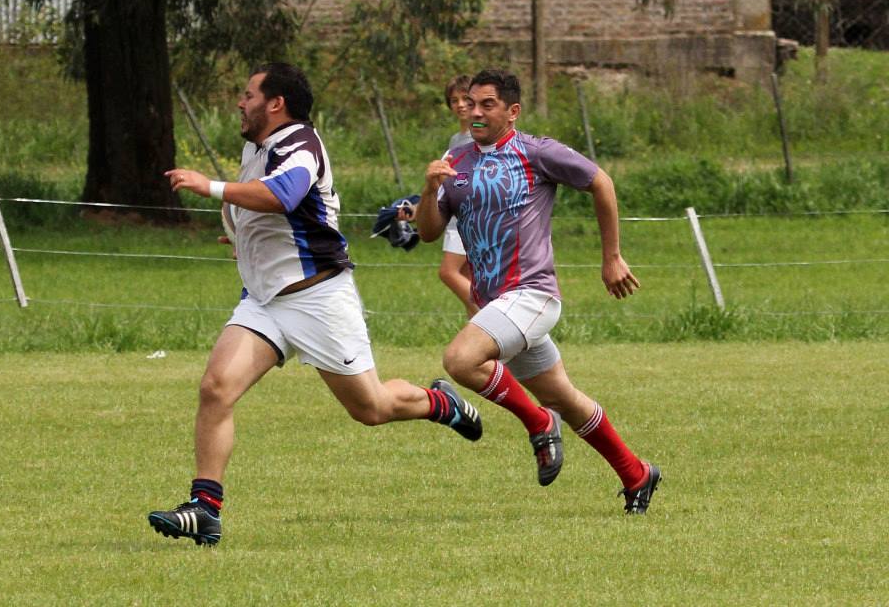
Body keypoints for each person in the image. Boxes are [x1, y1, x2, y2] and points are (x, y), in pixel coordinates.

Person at [148, 63, 482, 546]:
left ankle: (438, 403)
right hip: (265, 302)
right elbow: (272, 209)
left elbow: (284, 195)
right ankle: (205, 508)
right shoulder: (256, 146)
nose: (240, 103)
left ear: (275, 103)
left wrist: (210, 186)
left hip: (319, 300)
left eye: (248, 95)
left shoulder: (302, 145)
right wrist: (244, 238)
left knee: (371, 408)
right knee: (216, 388)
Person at [414, 68, 661, 514]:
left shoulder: (535, 151)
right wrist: (430, 191)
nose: (475, 111)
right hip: (499, 306)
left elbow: (600, 181)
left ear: (512, 112)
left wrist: (611, 258)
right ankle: (636, 474)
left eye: (487, 104)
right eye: (471, 103)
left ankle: (538, 422)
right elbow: (430, 233)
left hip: (532, 294)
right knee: (565, 397)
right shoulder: (458, 165)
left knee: (460, 360)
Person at [397, 75, 479, 317]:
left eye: (466, 98)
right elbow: (443, 184)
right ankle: (485, 348)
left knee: (448, 272)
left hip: (467, 219)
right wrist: (418, 210)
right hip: (453, 217)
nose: (461, 105)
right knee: (466, 280)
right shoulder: (456, 139)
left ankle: (493, 317)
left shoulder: (478, 137)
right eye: (454, 100)